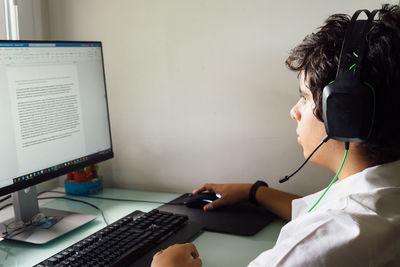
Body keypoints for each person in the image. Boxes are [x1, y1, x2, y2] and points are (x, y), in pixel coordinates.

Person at [151, 4, 400, 267]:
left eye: (304, 97)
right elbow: (320, 211)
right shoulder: (383, 193)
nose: (294, 112)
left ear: (345, 113)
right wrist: (254, 192)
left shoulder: (326, 241)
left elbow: (327, 228)